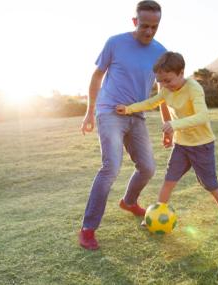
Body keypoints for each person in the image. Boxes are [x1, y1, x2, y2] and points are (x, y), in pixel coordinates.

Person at [116, 52, 218, 236]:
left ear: (181, 72)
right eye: (161, 82)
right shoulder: (166, 90)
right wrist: (128, 109)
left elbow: (203, 116)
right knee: (169, 181)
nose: (164, 86)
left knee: (210, 184)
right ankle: (156, 216)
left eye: (168, 80)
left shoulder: (194, 88)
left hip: (202, 145)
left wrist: (174, 125)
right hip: (181, 145)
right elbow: (152, 102)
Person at [79, 0, 167, 250]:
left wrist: (167, 123)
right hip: (109, 112)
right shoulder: (115, 42)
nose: (149, 31)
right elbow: (96, 76)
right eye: (144, 26)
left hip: (136, 115)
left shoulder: (161, 53)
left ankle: (129, 201)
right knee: (111, 167)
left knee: (148, 167)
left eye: (155, 27)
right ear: (134, 22)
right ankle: (88, 229)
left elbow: (162, 90)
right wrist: (89, 113)